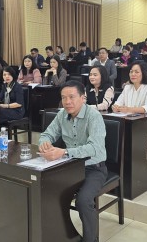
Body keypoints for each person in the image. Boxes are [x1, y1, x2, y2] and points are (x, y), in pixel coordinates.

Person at [39, 80, 107, 242]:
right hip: (69, 167)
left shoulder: (94, 116)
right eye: (63, 98)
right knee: (44, 190)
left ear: (83, 98)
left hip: (94, 168)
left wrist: (64, 152)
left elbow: (94, 148)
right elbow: (46, 134)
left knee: (83, 201)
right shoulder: (62, 114)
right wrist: (45, 144)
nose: (67, 102)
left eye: (71, 97)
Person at [112, 61, 147, 138]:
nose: (133, 74)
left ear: (143, 73)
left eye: (136, 72)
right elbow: (118, 102)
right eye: (131, 72)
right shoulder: (127, 87)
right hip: (129, 123)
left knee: (134, 139)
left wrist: (129, 109)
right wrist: (115, 107)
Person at [0, 66, 24, 136]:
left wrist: (5, 106)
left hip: (17, 111)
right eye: (4, 75)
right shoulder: (5, 86)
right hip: (7, 110)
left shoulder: (17, 86)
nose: (7, 76)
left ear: (13, 75)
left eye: (9, 74)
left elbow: (19, 104)